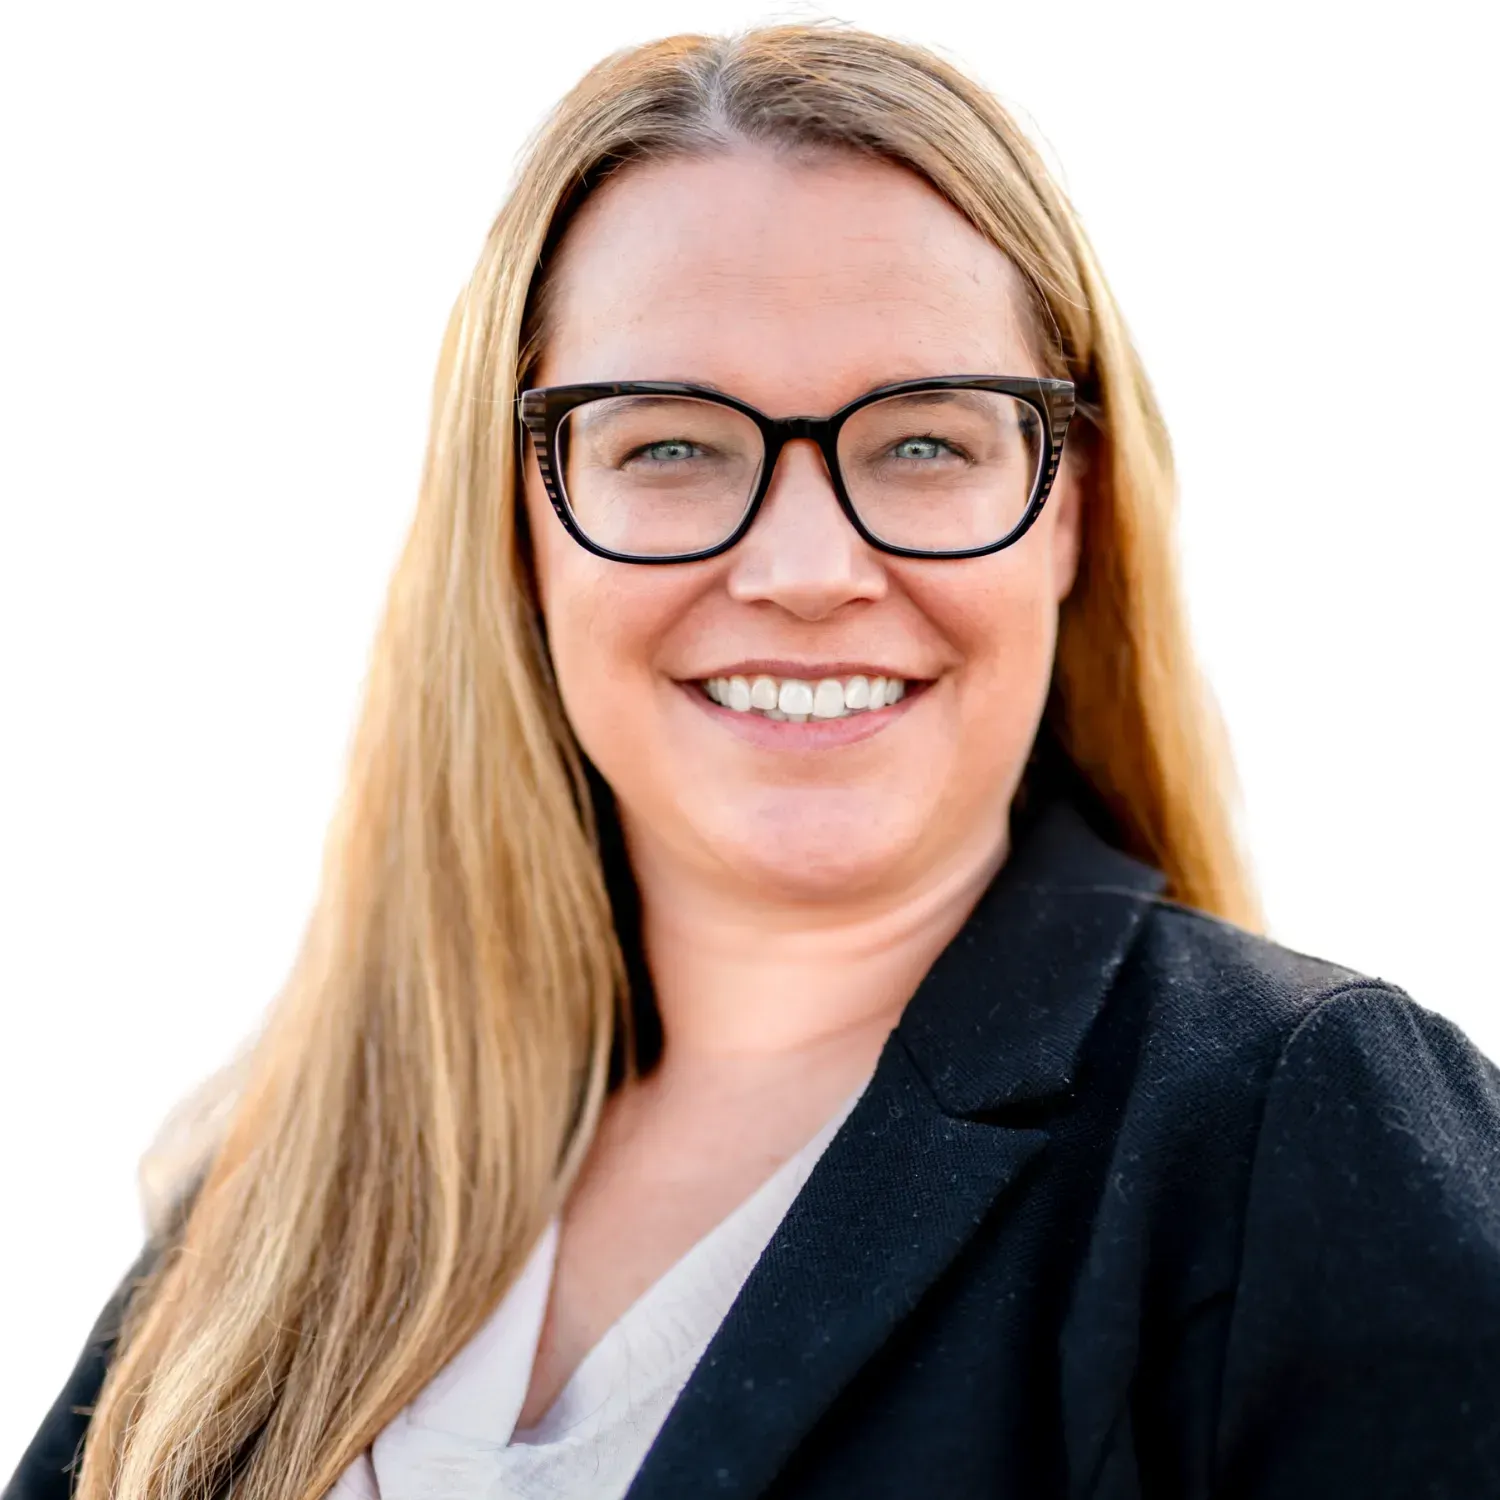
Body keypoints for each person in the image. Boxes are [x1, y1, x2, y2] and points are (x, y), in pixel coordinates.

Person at [7, 22, 1499, 1500]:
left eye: (925, 442)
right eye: (668, 445)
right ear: (520, 531)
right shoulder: (288, 1182)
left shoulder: (1285, 1132)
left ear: (1069, 513)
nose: (804, 564)